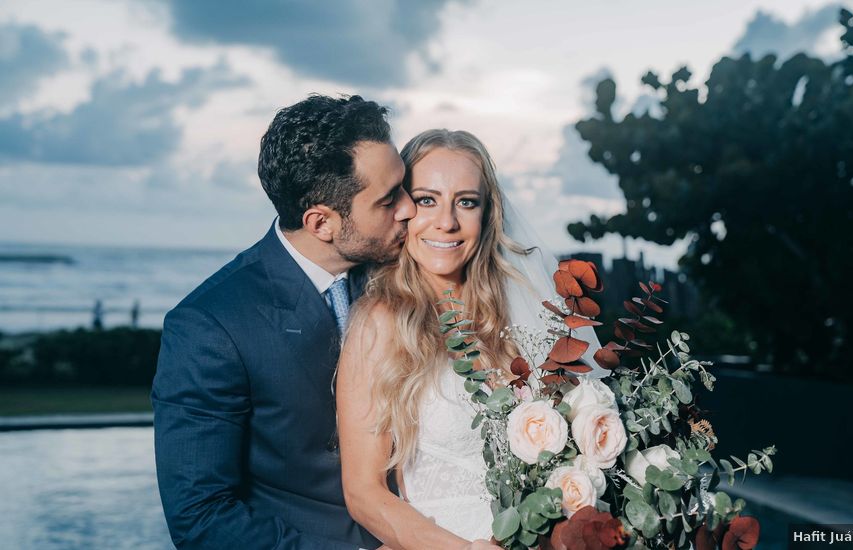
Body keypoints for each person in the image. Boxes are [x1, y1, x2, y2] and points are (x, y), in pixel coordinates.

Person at [151, 94, 416, 550]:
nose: (410, 209)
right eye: (389, 199)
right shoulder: (209, 327)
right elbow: (201, 517)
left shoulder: (406, 274)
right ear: (321, 223)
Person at [336, 129, 599, 549]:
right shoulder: (381, 322)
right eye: (427, 199)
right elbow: (363, 493)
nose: (447, 221)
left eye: (466, 202)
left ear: (487, 212)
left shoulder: (526, 313)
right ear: (402, 207)